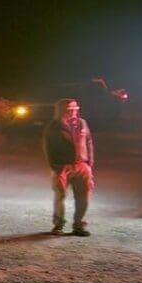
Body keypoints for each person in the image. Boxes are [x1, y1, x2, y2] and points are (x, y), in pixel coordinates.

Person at [43, 98, 94, 236]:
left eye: (76, 109)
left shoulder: (82, 123)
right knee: (60, 196)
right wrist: (55, 166)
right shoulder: (54, 126)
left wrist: (89, 163)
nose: (74, 112)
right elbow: (49, 148)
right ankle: (58, 225)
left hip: (82, 165)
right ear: (61, 111)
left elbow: (88, 141)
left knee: (83, 196)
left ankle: (79, 226)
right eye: (70, 109)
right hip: (62, 166)